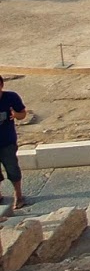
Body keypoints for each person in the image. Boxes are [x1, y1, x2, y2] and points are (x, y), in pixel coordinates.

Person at [0, 75, 28, 209]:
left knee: (12, 169)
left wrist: (16, 115)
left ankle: (18, 195)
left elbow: (23, 114)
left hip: (7, 142)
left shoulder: (11, 97)